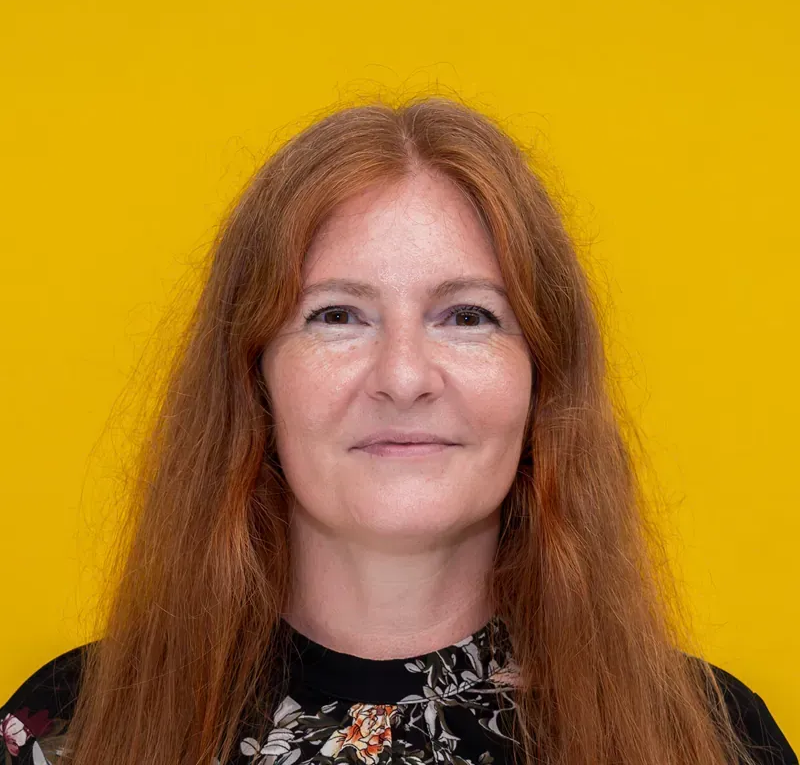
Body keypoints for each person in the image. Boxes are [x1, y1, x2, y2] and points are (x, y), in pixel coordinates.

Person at [1, 97, 795, 765]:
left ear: (542, 380)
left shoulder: (711, 741)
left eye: (468, 316)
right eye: (337, 315)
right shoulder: (70, 732)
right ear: (255, 379)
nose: (404, 376)